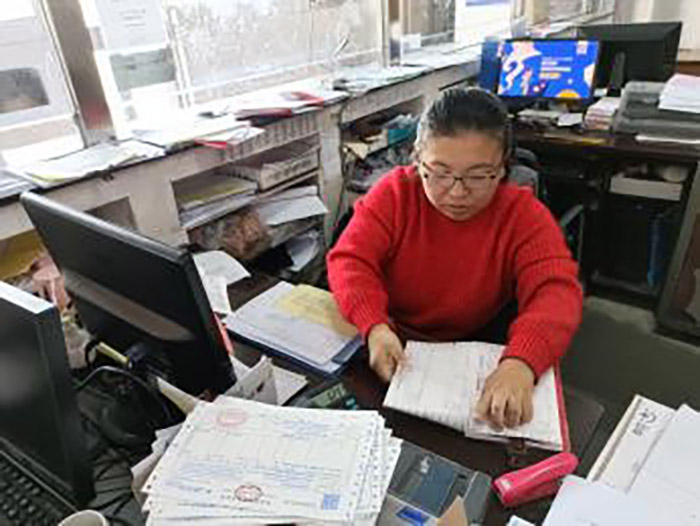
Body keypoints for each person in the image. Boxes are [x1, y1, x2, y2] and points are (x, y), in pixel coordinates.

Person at [327, 88, 582, 429]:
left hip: (468, 352)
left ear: (503, 166)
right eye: (439, 172)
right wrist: (374, 325)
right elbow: (350, 260)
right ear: (417, 158)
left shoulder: (522, 215)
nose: (457, 193)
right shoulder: (395, 195)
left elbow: (556, 292)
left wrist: (521, 362)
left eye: (478, 176)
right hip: (389, 345)